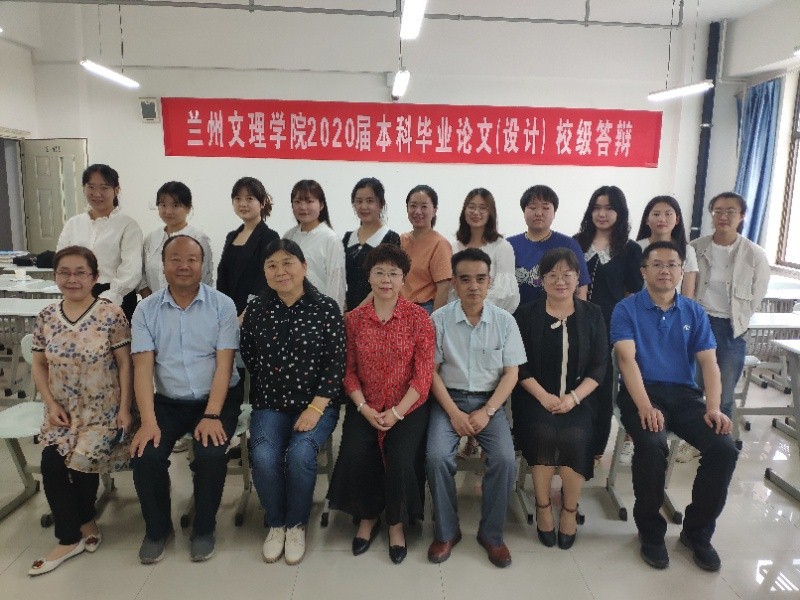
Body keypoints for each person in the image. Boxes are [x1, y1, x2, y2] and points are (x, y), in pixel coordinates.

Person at [610, 240, 738, 572]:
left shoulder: (694, 312)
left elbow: (709, 364)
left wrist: (714, 408)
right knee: (652, 445)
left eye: (672, 265)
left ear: (682, 271)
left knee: (724, 448)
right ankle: (650, 532)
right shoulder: (626, 309)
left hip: (684, 395)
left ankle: (697, 533)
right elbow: (626, 360)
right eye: (657, 264)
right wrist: (644, 406)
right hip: (641, 392)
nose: (665, 271)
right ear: (644, 271)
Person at [129, 235, 243, 564]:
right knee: (145, 454)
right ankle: (158, 529)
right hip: (168, 400)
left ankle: (204, 529)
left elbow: (224, 365)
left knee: (211, 454)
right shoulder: (146, 310)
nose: (183, 266)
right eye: (175, 259)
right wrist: (147, 421)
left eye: (192, 259)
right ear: (163, 265)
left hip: (217, 399)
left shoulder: (222, 305)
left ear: (202, 265)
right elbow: (142, 369)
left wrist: (212, 414)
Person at [28, 246, 133, 576]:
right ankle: (82, 525)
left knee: (83, 465)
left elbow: (125, 364)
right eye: (64, 272)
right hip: (62, 412)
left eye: (80, 273)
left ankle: (68, 537)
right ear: (55, 276)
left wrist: (125, 409)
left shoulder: (111, 314)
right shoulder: (46, 316)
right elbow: (38, 364)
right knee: (52, 463)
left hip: (103, 412)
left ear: (95, 277)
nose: (72, 279)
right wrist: (50, 403)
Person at [328, 244, 434, 565]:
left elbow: (423, 376)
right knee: (357, 450)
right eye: (379, 272)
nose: (386, 279)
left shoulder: (419, 318)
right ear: (369, 277)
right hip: (366, 404)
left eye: (393, 273)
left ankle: (396, 522)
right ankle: (367, 515)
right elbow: (348, 372)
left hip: (408, 406)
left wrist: (398, 412)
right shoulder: (354, 320)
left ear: (403, 279)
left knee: (400, 457)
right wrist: (363, 408)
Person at [240, 239, 344, 566]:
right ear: (264, 272)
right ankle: (276, 522)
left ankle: (296, 524)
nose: (280, 271)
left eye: (288, 263)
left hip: (317, 403)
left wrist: (315, 407)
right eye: (272, 265)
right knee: (263, 455)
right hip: (270, 404)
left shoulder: (326, 308)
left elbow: (336, 365)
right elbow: (250, 356)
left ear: (304, 266)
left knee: (300, 455)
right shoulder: (256, 310)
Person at [426, 248, 525, 568]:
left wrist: (488, 411)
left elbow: (511, 373)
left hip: (489, 402)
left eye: (481, 279)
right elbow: (431, 373)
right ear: (454, 283)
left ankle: (492, 535)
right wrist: (454, 413)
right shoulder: (439, 319)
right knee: (436, 457)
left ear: (490, 281)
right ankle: (446, 531)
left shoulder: (504, 321)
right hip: (448, 401)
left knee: (505, 460)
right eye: (465, 279)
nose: (473, 286)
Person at [512, 248, 607, 550]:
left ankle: (569, 509)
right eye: (552, 275)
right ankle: (542, 506)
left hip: (580, 399)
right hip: (534, 398)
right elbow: (518, 365)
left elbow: (600, 366)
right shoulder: (525, 315)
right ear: (541, 280)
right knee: (542, 433)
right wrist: (543, 396)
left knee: (575, 437)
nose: (560, 281)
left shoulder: (593, 314)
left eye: (567, 274)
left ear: (578, 278)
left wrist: (573, 398)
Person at [573, 186, 642, 460]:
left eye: (609, 208)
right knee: (574, 382)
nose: (602, 214)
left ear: (620, 213)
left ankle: (596, 447)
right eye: (597, 208)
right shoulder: (576, 243)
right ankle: (571, 439)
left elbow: (632, 293)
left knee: (602, 386)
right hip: (575, 323)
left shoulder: (630, 249)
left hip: (609, 327)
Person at [691, 192, 770, 418]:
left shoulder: (754, 254)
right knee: (693, 389)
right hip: (700, 324)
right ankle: (692, 435)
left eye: (730, 212)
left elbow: (758, 292)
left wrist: (741, 317)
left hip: (732, 329)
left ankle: (719, 437)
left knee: (724, 396)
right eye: (718, 211)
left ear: (742, 216)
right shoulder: (696, 247)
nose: (723, 216)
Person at [57, 164, 143, 322]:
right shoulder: (73, 224)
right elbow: (61, 261)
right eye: (91, 187)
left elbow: (132, 269)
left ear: (116, 190)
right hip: (77, 294)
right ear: (84, 189)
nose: (97, 194)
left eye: (104, 187)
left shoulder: (128, 225)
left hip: (116, 298)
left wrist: (110, 296)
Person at [507, 185, 590, 307]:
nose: (539, 213)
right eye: (532, 207)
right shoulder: (508, 246)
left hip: (560, 315)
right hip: (514, 316)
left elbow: (581, 289)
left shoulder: (569, 245)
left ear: (554, 212)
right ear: (524, 211)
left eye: (545, 208)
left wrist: (581, 316)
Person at [217, 176, 280, 318]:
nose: (242, 204)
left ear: (262, 202)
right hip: (227, 314)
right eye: (238, 198)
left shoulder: (270, 236)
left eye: (249, 198)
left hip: (256, 315)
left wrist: (245, 315)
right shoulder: (231, 236)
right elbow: (223, 277)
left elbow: (265, 282)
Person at [449, 187, 520, 313]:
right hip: (456, 316)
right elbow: (451, 289)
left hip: (492, 317)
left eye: (483, 208)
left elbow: (506, 293)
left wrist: (476, 311)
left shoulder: (502, 247)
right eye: (471, 207)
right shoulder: (453, 247)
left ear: (490, 213)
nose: (476, 212)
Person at [140, 181, 213, 298]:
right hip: (154, 305)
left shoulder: (199, 239)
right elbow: (142, 277)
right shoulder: (151, 239)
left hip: (190, 305)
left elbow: (204, 279)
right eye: (163, 205)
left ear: (188, 208)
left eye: (175, 205)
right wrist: (151, 303)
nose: (168, 211)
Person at [284, 179, 346, 313]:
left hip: (319, 313)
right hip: (289, 311)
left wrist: (332, 316)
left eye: (309, 201)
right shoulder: (289, 236)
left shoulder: (330, 239)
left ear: (321, 205)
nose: (303, 207)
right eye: (297, 201)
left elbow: (336, 284)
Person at [342, 177, 401, 311]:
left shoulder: (390, 238)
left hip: (377, 311)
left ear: (381, 203)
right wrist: (345, 311)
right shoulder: (347, 238)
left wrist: (358, 312)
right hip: (347, 312)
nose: (364, 207)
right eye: (359, 201)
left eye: (370, 201)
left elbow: (387, 281)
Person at [400, 184, 452, 314]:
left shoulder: (439, 244)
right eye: (413, 206)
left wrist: (433, 321)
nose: (418, 211)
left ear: (434, 210)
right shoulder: (401, 240)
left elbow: (443, 288)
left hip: (424, 309)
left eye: (424, 206)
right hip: (398, 307)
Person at [635, 195, 698, 298]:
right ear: (647, 219)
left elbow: (688, 294)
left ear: (677, 219)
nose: (662, 219)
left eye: (668, 214)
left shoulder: (687, 250)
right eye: (656, 214)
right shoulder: (636, 248)